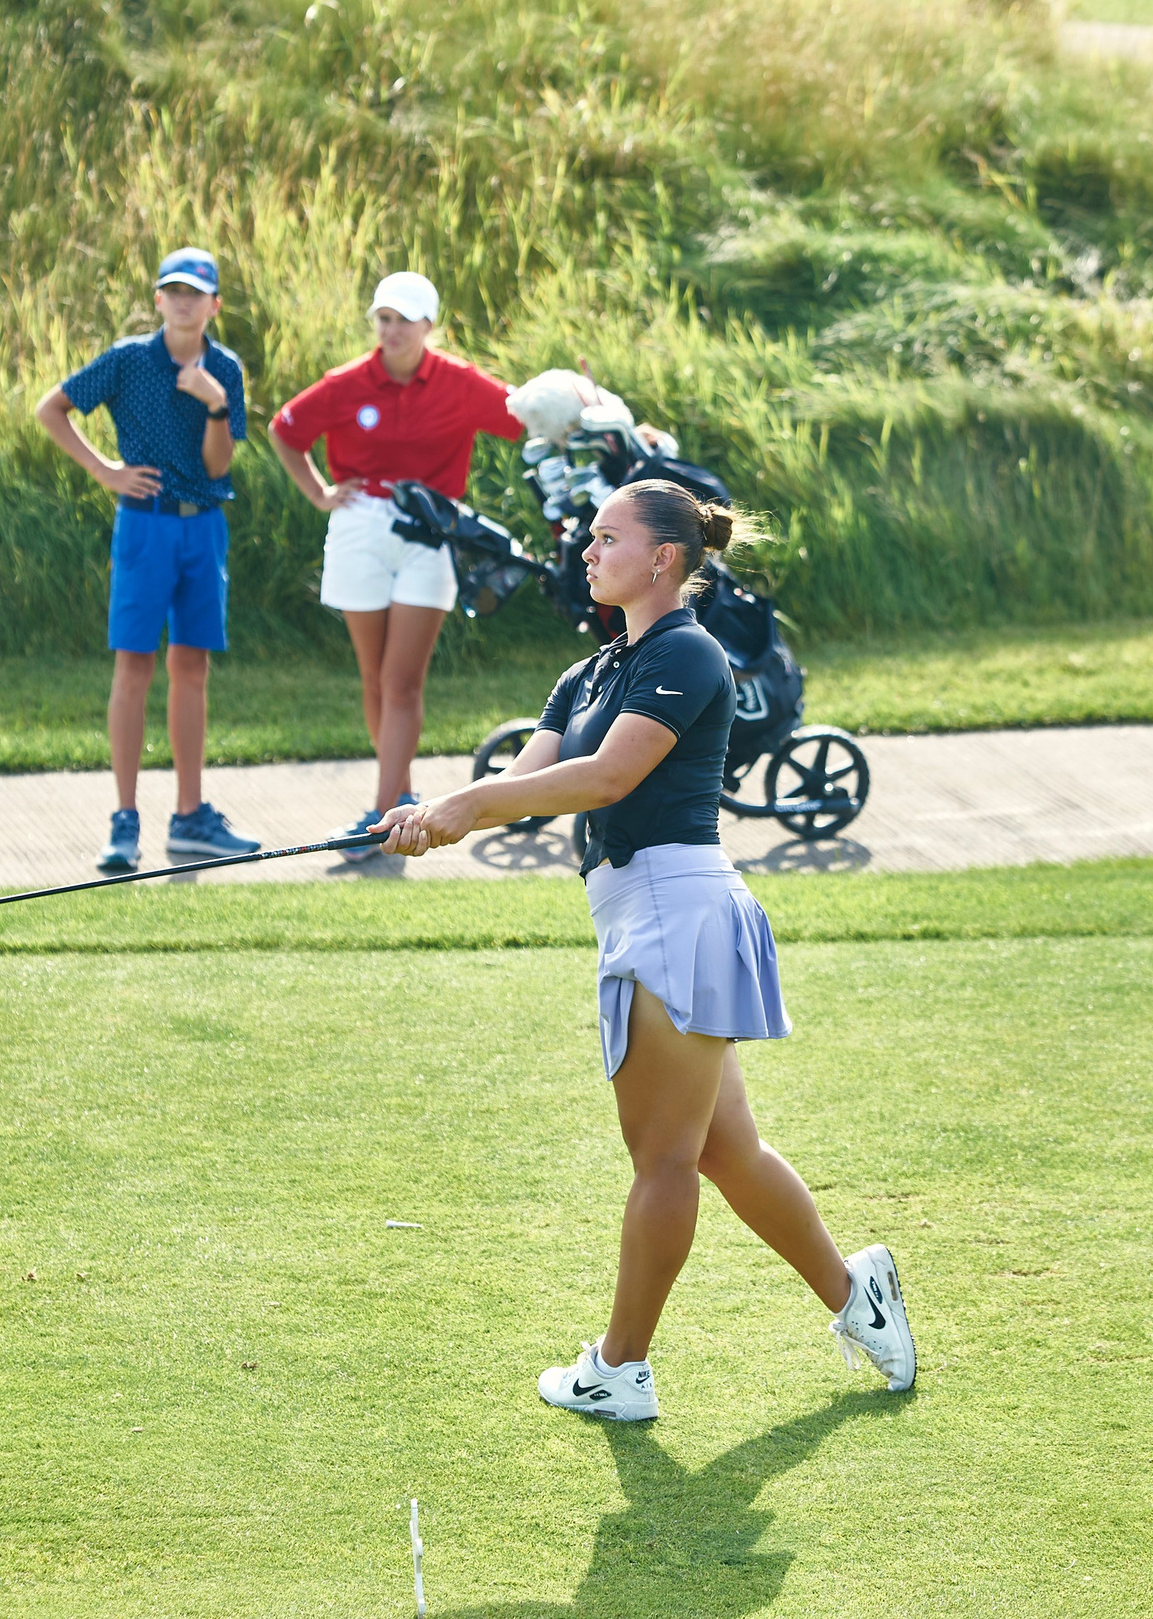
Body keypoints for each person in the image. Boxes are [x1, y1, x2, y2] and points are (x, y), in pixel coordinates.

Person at [377, 479, 916, 1420]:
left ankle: (620, 1369)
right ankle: (855, 1292)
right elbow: (529, 780)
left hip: (678, 910)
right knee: (725, 1149)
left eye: (605, 538)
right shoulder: (586, 674)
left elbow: (611, 775)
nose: (586, 553)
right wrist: (436, 817)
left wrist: (466, 808)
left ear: (663, 558)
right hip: (643, 913)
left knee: (663, 1158)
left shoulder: (690, 654)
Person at [267, 272, 524, 841]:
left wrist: (582, 400)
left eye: (404, 320)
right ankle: (401, 794)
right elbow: (285, 430)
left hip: (430, 534)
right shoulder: (347, 382)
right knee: (374, 677)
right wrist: (318, 493)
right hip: (359, 525)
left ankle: (381, 815)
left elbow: (522, 417)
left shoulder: (458, 381)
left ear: (428, 326)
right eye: (384, 318)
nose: (392, 330)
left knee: (401, 680)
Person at [36, 247, 262, 873]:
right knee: (133, 666)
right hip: (144, 528)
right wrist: (105, 471)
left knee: (191, 667)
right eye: (173, 291)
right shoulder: (129, 358)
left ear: (214, 304)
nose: (184, 301)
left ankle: (190, 818)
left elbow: (219, 465)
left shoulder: (225, 367)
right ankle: (124, 820)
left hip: (203, 528)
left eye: (197, 292)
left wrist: (215, 402)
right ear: (159, 300)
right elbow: (51, 409)